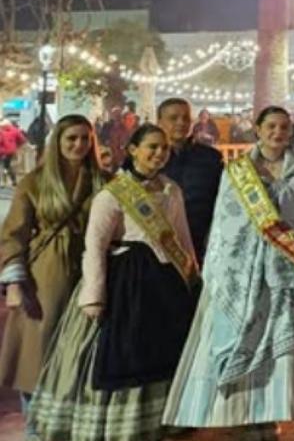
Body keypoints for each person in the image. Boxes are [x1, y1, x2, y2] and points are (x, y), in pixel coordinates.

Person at [162, 106, 294, 431]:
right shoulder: (238, 170)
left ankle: (275, 408)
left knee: (283, 350)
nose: (278, 133)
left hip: (289, 268)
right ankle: (246, 413)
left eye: (283, 128)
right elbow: (226, 221)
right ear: (258, 131)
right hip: (244, 267)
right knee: (245, 331)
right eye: (271, 127)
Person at [27, 123, 199, 441]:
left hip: (164, 287)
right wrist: (94, 295)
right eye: (151, 147)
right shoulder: (112, 194)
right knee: (123, 354)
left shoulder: (171, 190)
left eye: (163, 148)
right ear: (132, 150)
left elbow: (181, 237)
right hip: (125, 287)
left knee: (163, 352)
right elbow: (95, 245)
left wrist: (192, 277)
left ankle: (163, 419)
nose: (159, 153)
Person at [0, 115, 107, 409]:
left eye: (85, 138)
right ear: (57, 141)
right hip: (47, 272)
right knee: (38, 347)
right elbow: (14, 232)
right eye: (71, 138)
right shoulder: (34, 182)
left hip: (91, 269)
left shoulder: (103, 180)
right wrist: (15, 277)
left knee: (82, 348)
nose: (79, 145)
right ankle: (34, 417)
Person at [157, 98, 224, 259]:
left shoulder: (211, 158)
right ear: (159, 122)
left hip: (202, 242)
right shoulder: (149, 158)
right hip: (159, 243)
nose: (181, 123)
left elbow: (222, 199)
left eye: (186, 118)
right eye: (173, 118)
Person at [0, 113, 26, 187]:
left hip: (2, 152)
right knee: (7, 166)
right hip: (12, 151)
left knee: (4, 166)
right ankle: (13, 180)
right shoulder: (15, 130)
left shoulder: (1, 132)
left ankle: (3, 182)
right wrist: (17, 146)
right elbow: (22, 140)